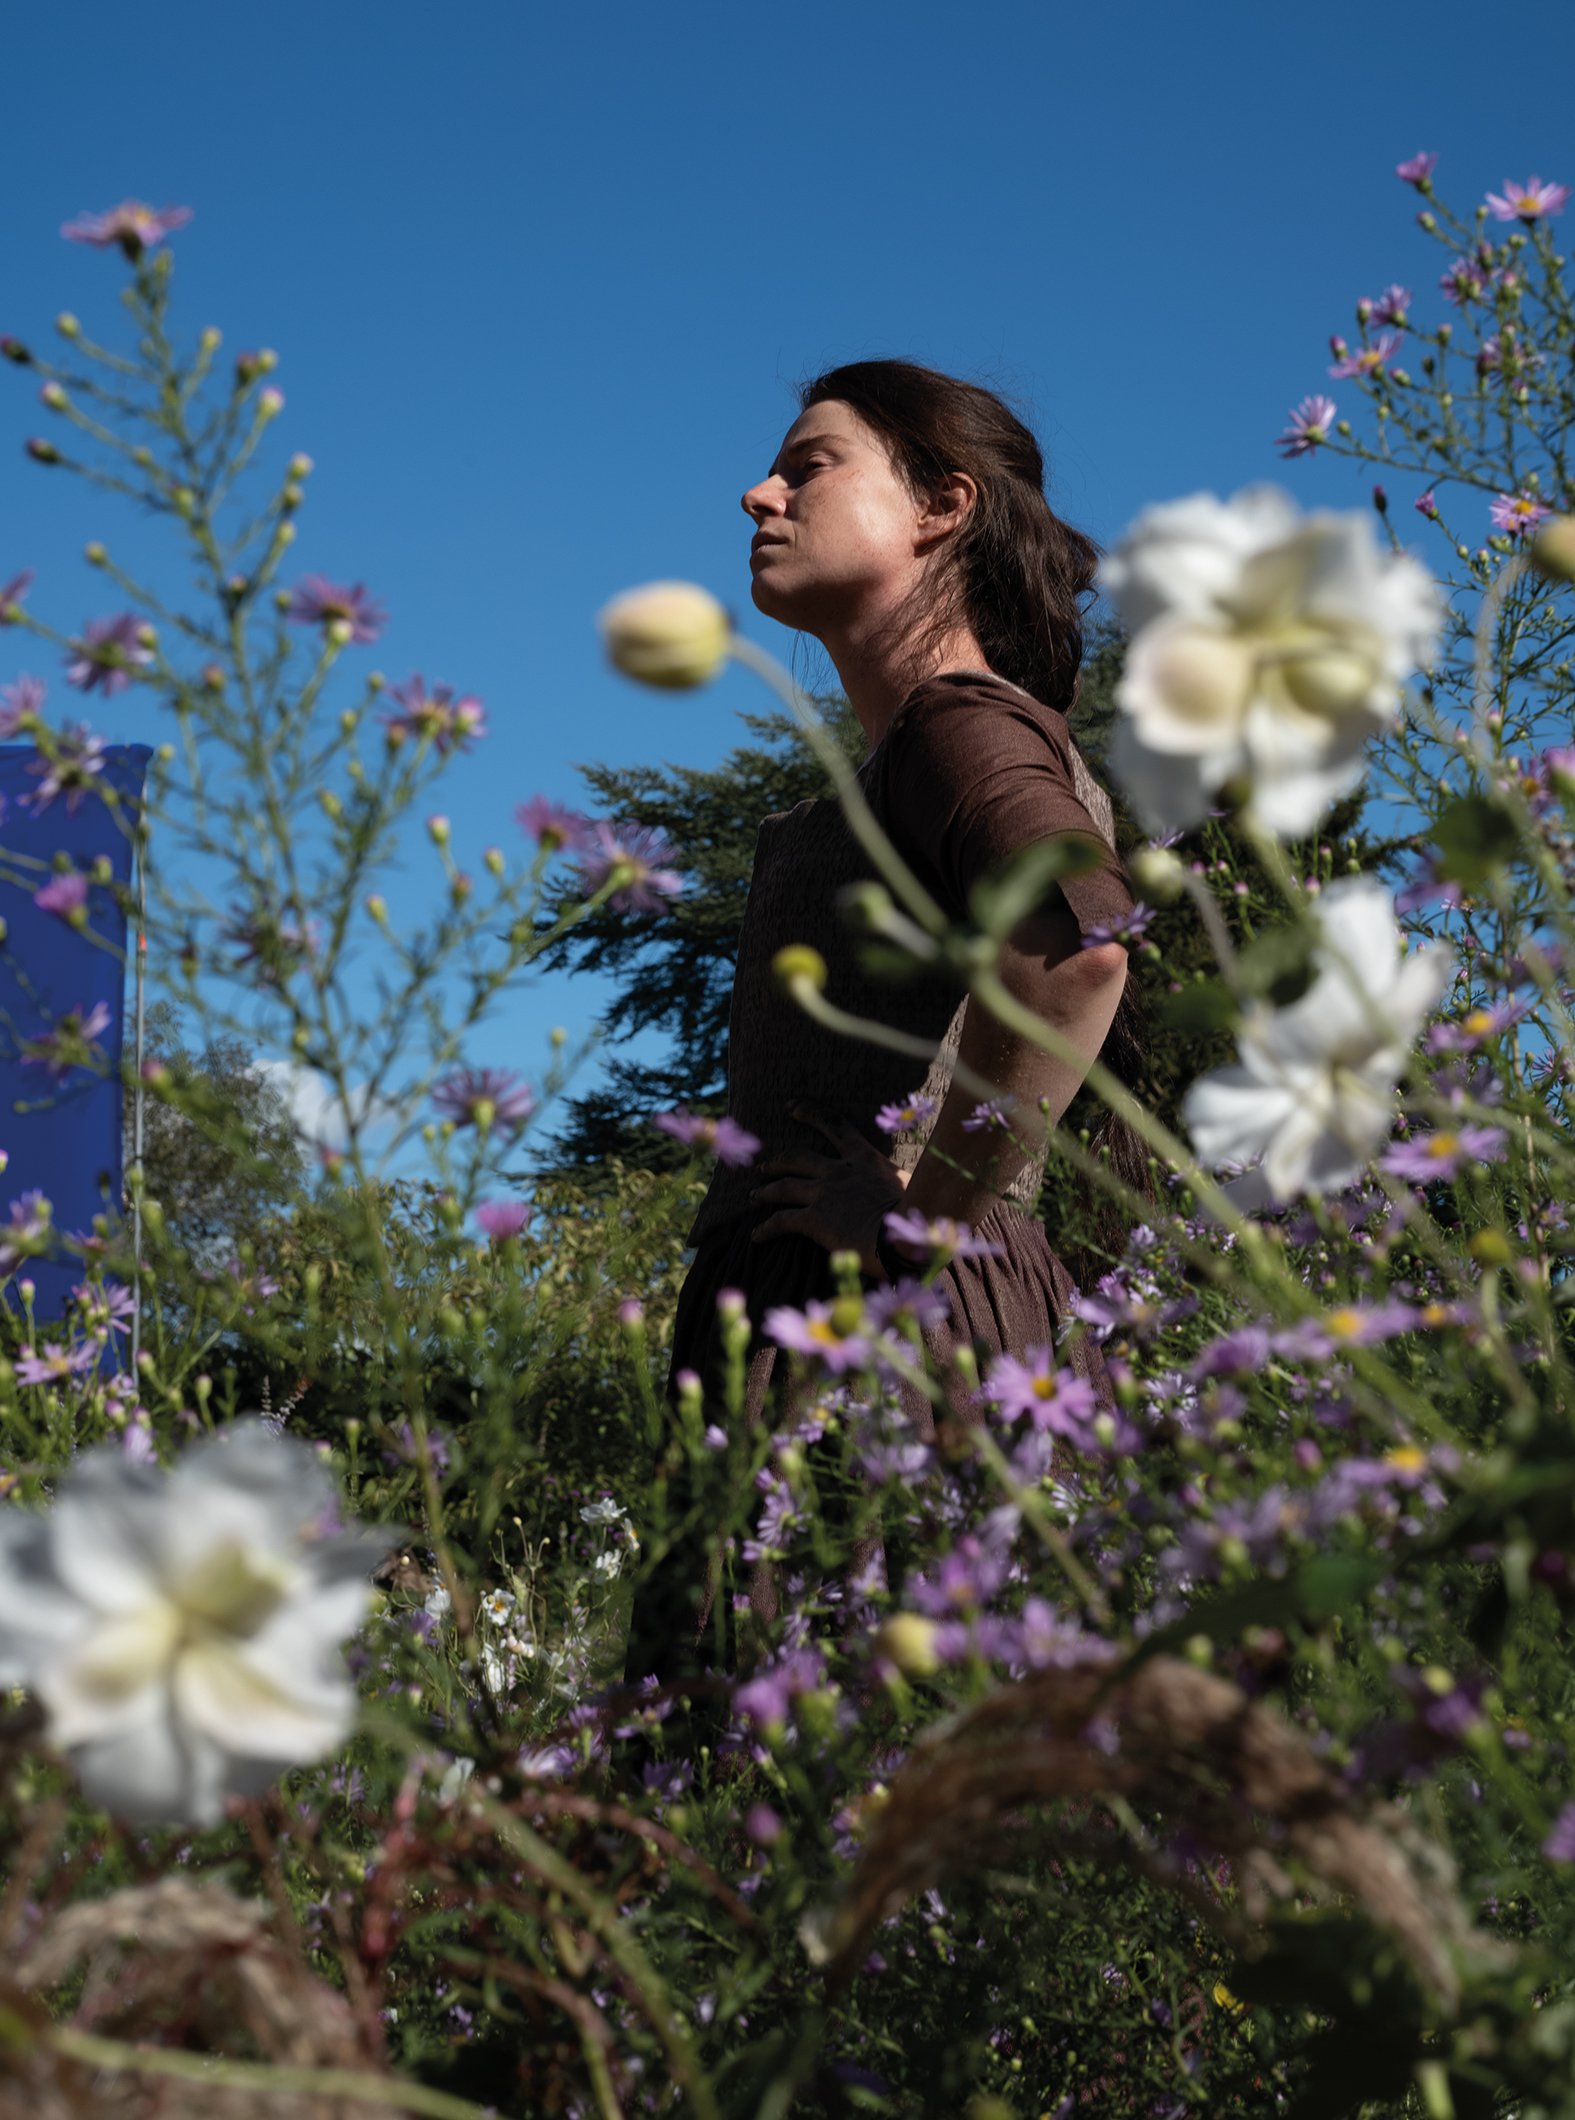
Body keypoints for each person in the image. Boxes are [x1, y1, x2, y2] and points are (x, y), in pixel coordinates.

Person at [624, 359, 1139, 1691]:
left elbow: (1076, 953)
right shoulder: (923, 744)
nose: (761, 490)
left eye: (811, 465)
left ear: (943, 506)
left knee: (846, 1802)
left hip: (886, 1325)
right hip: (862, 1315)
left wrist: (932, 1207)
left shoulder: (956, 729)